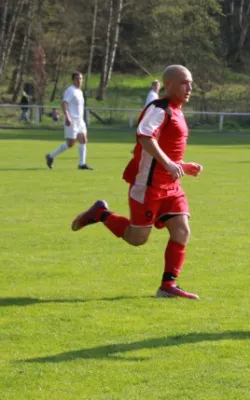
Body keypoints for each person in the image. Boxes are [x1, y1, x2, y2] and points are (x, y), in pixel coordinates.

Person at [70, 65, 202, 299]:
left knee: (182, 231)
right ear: (168, 85)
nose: (189, 87)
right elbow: (144, 136)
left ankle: (168, 286)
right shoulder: (159, 108)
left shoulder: (177, 110)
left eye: (191, 82)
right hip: (148, 185)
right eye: (184, 83)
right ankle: (101, 213)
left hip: (171, 186)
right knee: (137, 238)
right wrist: (169, 165)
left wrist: (183, 166)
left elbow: (167, 149)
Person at [45, 72, 93, 170]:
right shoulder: (71, 91)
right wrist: (67, 117)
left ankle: (82, 164)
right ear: (73, 80)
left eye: (81, 78)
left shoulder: (80, 92)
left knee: (83, 140)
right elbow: (64, 103)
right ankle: (51, 156)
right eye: (77, 78)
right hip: (72, 120)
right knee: (70, 143)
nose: (79, 80)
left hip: (80, 120)